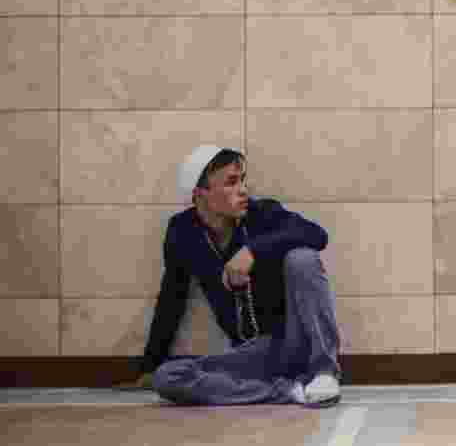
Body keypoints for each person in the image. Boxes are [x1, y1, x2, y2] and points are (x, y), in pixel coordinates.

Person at [118, 145, 343, 407]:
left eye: (242, 180)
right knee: (167, 378)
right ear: (200, 193)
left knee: (302, 258)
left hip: (293, 340)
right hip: (253, 353)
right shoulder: (183, 231)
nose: (243, 190)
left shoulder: (262, 214)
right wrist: (151, 364)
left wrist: (252, 251)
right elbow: (172, 297)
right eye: (231, 182)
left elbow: (317, 234)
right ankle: (290, 392)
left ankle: (324, 373)